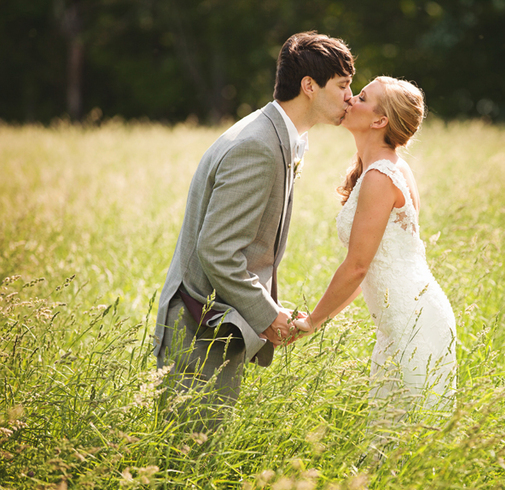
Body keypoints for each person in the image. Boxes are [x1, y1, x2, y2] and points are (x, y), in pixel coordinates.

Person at [153, 31, 355, 426]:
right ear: (309, 87)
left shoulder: (287, 137)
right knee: (189, 463)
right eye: (344, 86)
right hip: (198, 327)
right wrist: (267, 315)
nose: (351, 96)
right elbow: (216, 250)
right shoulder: (258, 146)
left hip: (215, 322)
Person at [293, 76, 457, 420]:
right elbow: (368, 270)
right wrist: (319, 318)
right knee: (389, 441)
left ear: (380, 120)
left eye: (363, 97)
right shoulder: (383, 169)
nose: (351, 99)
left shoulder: (382, 176)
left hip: (415, 320)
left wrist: (312, 322)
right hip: (399, 322)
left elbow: (357, 267)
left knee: (416, 440)